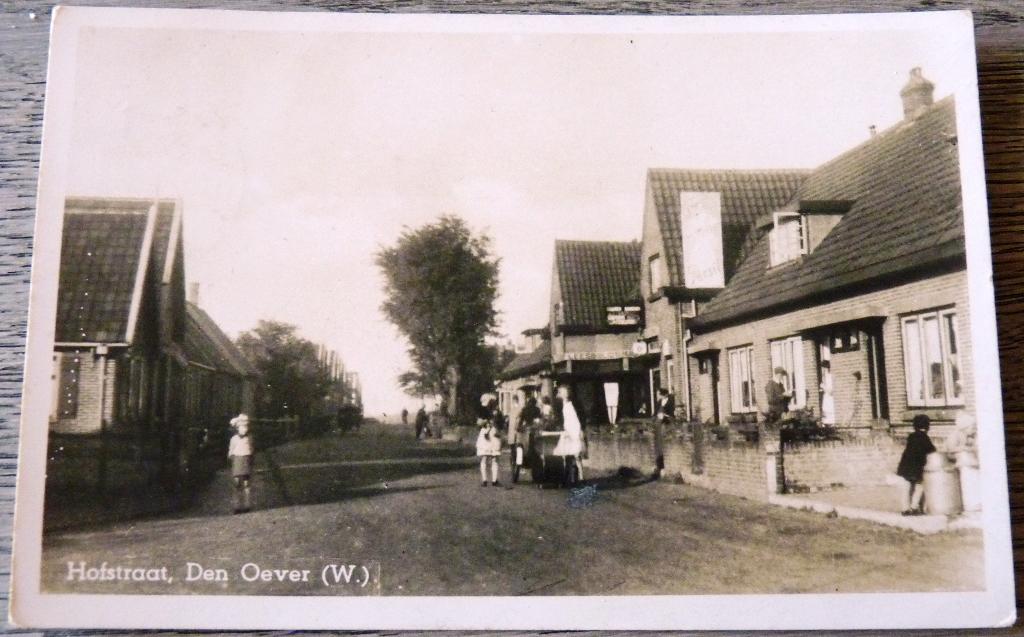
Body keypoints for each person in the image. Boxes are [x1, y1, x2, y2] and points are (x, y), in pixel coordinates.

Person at [896, 414, 937, 516]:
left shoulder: (911, 436)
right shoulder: (924, 437)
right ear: (927, 426)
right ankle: (914, 507)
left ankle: (905, 508)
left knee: (906, 486)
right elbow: (932, 450)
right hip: (917, 467)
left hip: (906, 466)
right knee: (920, 486)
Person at [552, 385, 584, 486]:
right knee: (566, 454)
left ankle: (581, 477)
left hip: (575, 429)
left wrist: (582, 429)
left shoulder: (575, 403)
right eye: (561, 392)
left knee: (577, 454)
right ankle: (567, 477)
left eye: (564, 392)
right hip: (566, 430)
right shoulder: (559, 404)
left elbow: (581, 416)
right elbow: (559, 418)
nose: (562, 394)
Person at [228, 414, 254, 514]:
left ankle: (247, 505)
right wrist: (231, 459)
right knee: (237, 483)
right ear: (237, 428)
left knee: (246, 483)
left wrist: (251, 459)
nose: (244, 429)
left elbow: (251, 450)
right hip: (237, 460)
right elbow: (231, 451)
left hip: (246, 460)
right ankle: (237, 506)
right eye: (241, 427)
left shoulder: (249, 438)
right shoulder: (234, 439)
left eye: (245, 427)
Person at [653, 388, 674, 479]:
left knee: (663, 445)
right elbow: (654, 413)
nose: (658, 396)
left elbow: (672, 414)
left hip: (666, 425)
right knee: (658, 446)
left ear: (664, 394)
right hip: (658, 426)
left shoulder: (671, 402)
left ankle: (664, 467)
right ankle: (659, 466)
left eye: (659, 394)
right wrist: (656, 416)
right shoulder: (659, 402)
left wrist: (665, 416)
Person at [476, 416, 502, 486]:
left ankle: (491, 480)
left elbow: (479, 424)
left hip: (491, 434)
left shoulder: (484, 411)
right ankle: (487, 480)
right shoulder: (487, 412)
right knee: (487, 458)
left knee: (492, 459)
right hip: (489, 434)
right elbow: (479, 423)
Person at [819, 360, 836, 426]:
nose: (823, 370)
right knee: (826, 412)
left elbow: (830, 391)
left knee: (830, 413)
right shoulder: (825, 377)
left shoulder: (830, 377)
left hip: (830, 398)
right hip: (826, 398)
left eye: (824, 368)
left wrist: (823, 386)